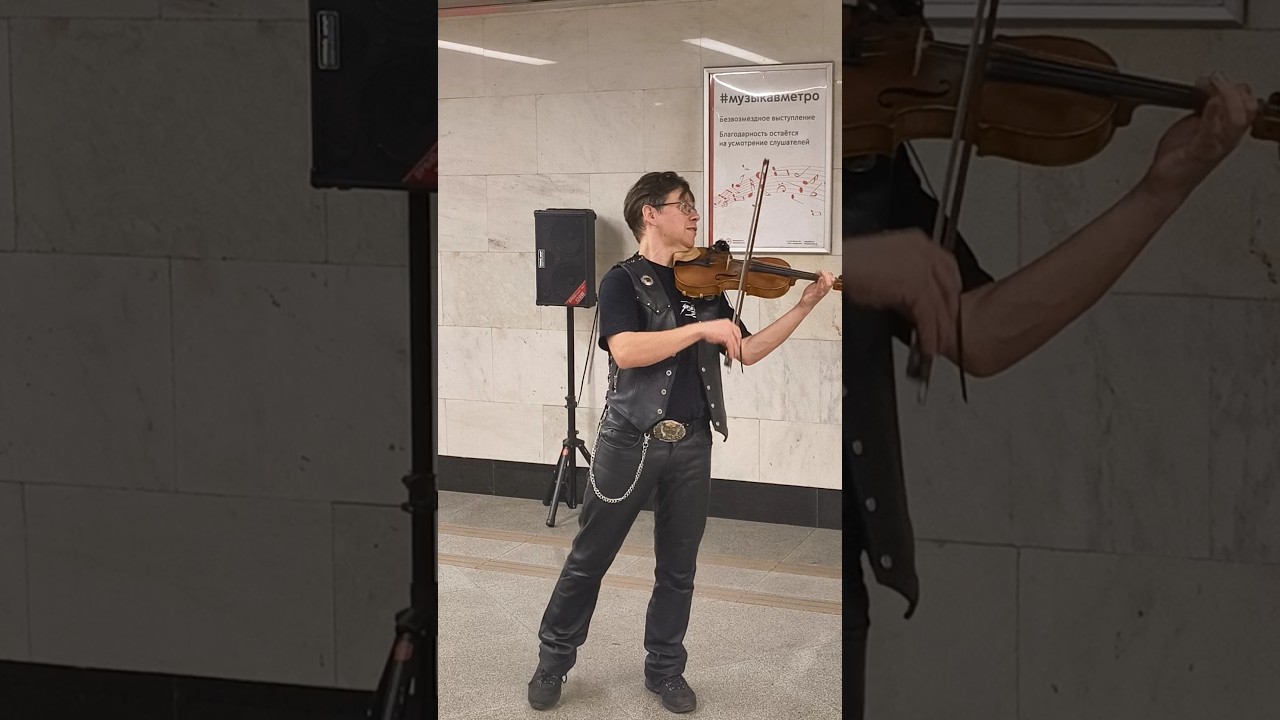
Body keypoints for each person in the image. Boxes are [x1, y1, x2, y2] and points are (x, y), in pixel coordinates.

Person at [840, 1, 1259, 718]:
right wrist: (841, 265)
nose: (884, 24)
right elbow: (672, 265)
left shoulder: (863, 150)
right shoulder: (700, 97)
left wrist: (1164, 188)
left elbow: (982, 330)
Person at [527, 170, 836, 714]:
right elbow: (624, 351)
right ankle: (553, 660)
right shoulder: (622, 281)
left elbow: (746, 350)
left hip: (692, 444)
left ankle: (666, 670)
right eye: (684, 205)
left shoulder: (708, 284)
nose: (695, 216)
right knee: (589, 558)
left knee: (679, 568)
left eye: (693, 207)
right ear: (650, 213)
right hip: (629, 442)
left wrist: (805, 304)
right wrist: (698, 331)